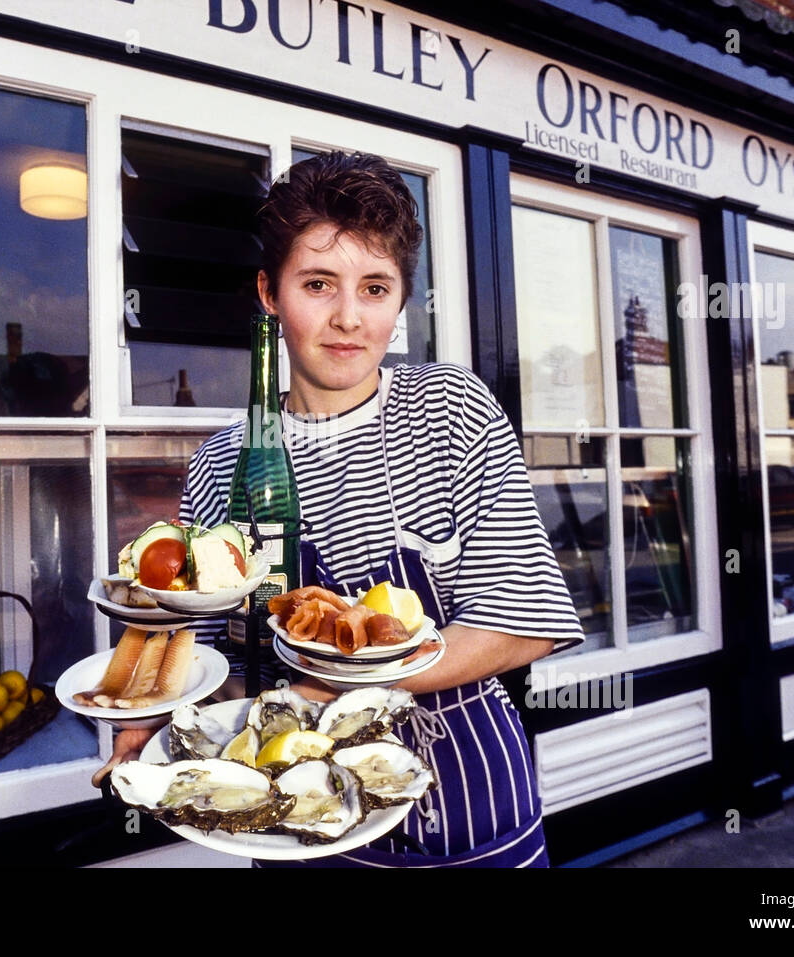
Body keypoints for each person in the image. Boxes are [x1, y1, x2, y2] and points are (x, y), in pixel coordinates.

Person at [95, 150, 585, 867]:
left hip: (471, 812)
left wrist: (336, 677)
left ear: (400, 301)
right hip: (295, 824)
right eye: (318, 283)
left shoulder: (452, 410)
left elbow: (522, 623)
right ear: (269, 291)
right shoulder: (222, 462)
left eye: (376, 288)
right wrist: (158, 718)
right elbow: (229, 666)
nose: (349, 318)